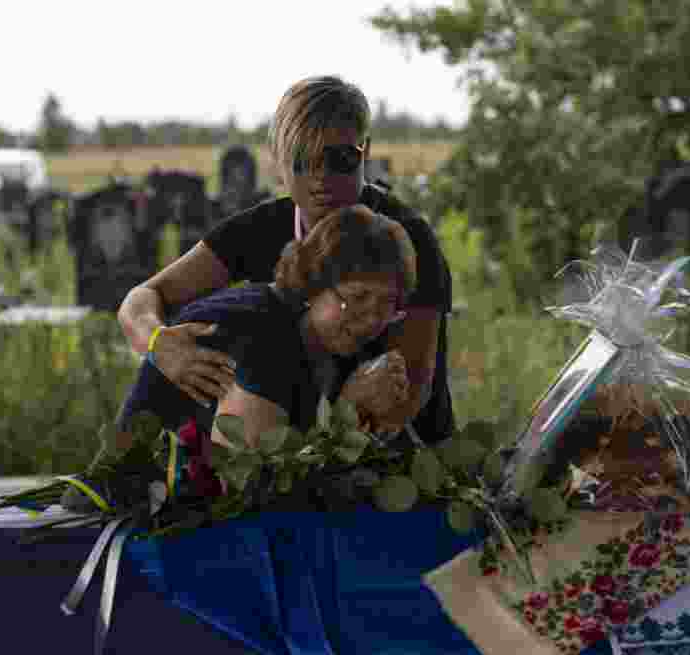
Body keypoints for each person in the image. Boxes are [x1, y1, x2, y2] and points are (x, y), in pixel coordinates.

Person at [116, 75, 454, 446]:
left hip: (404, 452)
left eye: (340, 159)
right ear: (277, 160)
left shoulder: (407, 240)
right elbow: (144, 297)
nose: (320, 176)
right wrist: (158, 342)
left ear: (366, 152)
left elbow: (407, 395)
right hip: (298, 443)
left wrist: (344, 411)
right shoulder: (260, 228)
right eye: (301, 160)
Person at [62, 205, 417, 512]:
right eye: (356, 298)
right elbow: (246, 489)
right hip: (124, 534)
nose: (371, 319)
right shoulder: (261, 331)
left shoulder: (347, 341)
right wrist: (347, 414)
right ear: (312, 285)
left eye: (387, 305)